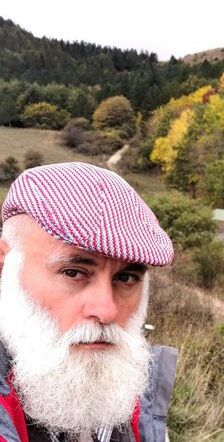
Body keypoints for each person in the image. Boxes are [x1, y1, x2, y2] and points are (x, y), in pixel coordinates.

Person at [0, 162, 177, 442]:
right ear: (4, 265)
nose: (107, 311)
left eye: (127, 277)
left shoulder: (135, 399)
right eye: (73, 272)